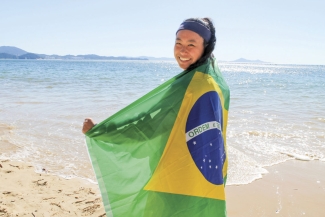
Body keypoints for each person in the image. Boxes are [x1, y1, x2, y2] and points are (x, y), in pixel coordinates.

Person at [82, 17, 217, 134]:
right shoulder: (212, 79)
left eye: (191, 44)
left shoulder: (190, 86)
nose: (182, 51)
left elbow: (150, 128)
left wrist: (100, 130)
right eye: (178, 43)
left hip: (182, 163)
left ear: (206, 48)